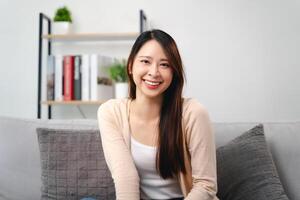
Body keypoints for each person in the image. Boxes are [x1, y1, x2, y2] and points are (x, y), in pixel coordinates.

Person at [97, 29, 218, 200]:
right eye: (145, 61)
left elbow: (206, 185)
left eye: (165, 64)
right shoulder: (110, 112)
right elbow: (126, 178)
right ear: (131, 65)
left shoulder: (194, 113)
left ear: (173, 72)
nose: (154, 72)